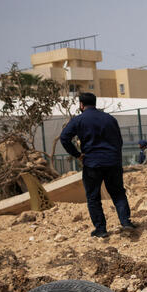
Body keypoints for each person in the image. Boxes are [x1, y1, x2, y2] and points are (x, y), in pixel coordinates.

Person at [60, 93, 135, 238]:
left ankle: (101, 229)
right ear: (95, 103)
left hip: (92, 163)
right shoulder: (109, 119)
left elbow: (64, 138)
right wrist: (115, 157)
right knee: (118, 192)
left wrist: (77, 154)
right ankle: (126, 222)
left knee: (93, 196)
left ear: (81, 105)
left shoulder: (78, 120)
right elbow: (119, 141)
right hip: (112, 162)